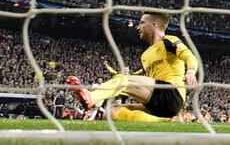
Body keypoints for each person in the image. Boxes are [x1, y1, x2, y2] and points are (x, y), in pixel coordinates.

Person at [66, 12, 198, 122]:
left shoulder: (169, 41)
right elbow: (140, 76)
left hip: (172, 93)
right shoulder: (145, 55)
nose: (137, 27)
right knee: (111, 111)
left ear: (154, 25)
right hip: (156, 99)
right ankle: (166, 120)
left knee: (125, 79)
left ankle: (91, 97)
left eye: (142, 23)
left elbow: (189, 55)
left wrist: (191, 70)